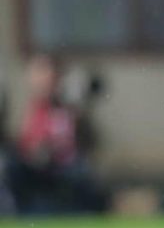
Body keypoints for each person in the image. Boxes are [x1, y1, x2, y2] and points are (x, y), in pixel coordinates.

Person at [6, 55, 106, 215]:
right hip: (32, 171)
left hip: (64, 170)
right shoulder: (27, 108)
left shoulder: (67, 107)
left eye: (45, 75)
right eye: (37, 75)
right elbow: (22, 143)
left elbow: (83, 141)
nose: (40, 81)